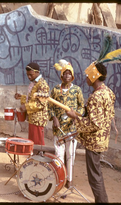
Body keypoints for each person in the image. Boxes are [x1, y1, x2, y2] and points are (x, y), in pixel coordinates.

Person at [66, 62, 115, 203]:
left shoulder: (96, 97)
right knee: (96, 174)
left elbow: (94, 123)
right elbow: (107, 116)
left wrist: (75, 117)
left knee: (94, 177)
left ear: (95, 76)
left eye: (88, 76)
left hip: (94, 142)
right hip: (103, 139)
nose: (86, 78)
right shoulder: (108, 92)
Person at [49, 59, 84, 188]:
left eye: (70, 74)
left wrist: (76, 115)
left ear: (72, 76)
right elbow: (50, 106)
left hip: (71, 128)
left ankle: (69, 180)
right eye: (66, 73)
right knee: (59, 155)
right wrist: (54, 118)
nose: (68, 76)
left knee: (70, 155)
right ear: (62, 75)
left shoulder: (77, 90)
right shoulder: (55, 90)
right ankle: (60, 178)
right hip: (59, 129)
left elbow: (82, 108)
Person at [14, 62, 49, 145]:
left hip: (38, 119)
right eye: (27, 75)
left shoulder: (42, 84)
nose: (29, 77)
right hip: (33, 118)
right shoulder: (34, 83)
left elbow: (41, 103)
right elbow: (32, 98)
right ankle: (34, 157)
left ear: (37, 72)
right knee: (32, 142)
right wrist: (21, 97)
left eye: (31, 75)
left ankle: (38, 157)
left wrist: (26, 107)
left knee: (37, 143)